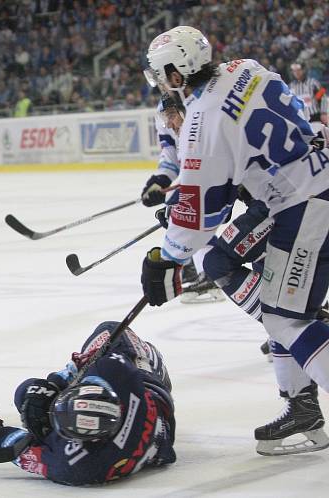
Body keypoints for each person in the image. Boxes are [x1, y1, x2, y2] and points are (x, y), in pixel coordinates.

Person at [140, 26, 329, 455]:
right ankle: (303, 412)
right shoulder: (246, 69)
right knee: (278, 303)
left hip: (303, 205)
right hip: (308, 186)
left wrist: (165, 257)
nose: (157, 83)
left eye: (159, 74)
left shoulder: (204, 117)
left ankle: (306, 390)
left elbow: (200, 211)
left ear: (175, 73)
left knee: (285, 319)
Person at [0, 321, 176, 486]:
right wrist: (54, 385)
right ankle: (149, 366)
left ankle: (148, 367)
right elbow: (99, 358)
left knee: (24, 394)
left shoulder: (77, 465)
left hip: (145, 412)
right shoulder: (115, 373)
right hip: (154, 410)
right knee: (112, 333)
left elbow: (24, 450)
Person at [141, 91, 222, 303]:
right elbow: (170, 156)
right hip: (200, 174)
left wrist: (176, 198)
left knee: (189, 213)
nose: (168, 124)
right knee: (180, 212)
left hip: (223, 177)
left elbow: (202, 168)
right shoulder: (171, 118)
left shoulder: (201, 119)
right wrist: (159, 181)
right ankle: (193, 266)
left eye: (171, 116)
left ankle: (211, 275)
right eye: (165, 117)